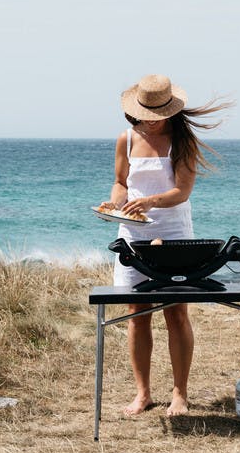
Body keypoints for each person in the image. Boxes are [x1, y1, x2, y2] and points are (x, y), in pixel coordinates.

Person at [98, 73, 231, 418]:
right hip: (133, 233)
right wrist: (115, 203)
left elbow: (182, 192)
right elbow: (119, 182)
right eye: (147, 115)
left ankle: (179, 394)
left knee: (175, 312)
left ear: (170, 112)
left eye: (158, 116)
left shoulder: (182, 141)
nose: (152, 122)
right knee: (136, 315)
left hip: (173, 234)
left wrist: (149, 201)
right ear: (136, 111)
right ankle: (143, 394)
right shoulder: (125, 139)